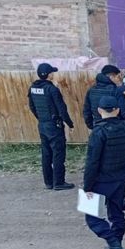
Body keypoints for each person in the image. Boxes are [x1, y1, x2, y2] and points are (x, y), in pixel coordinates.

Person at [83, 96, 125, 249]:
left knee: (91, 216)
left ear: (99, 111)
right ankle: (117, 244)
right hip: (120, 178)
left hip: (101, 180)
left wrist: (87, 186)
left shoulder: (98, 132)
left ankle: (113, 244)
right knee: (116, 213)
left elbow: (92, 162)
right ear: (118, 110)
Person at [28, 63, 76, 191]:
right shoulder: (52, 89)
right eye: (52, 73)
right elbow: (61, 108)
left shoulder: (33, 88)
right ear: (49, 75)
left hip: (42, 125)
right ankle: (59, 182)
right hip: (54, 126)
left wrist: (41, 119)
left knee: (46, 154)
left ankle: (49, 182)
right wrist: (69, 123)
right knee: (58, 153)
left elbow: (32, 107)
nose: (53, 74)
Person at [83, 64, 125, 129]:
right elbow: (124, 112)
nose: (119, 78)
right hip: (115, 128)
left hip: (97, 127)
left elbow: (86, 111)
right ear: (112, 77)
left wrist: (92, 126)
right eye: (118, 76)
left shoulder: (91, 90)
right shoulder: (116, 90)